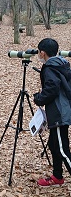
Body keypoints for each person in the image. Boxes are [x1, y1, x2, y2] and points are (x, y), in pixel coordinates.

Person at [33, 38, 71, 187]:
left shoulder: (50, 67)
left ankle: (58, 176)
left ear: (42, 53)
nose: (38, 55)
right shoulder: (61, 64)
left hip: (59, 113)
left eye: (38, 52)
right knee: (53, 145)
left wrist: (39, 99)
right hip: (61, 110)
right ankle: (57, 177)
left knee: (62, 150)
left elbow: (52, 89)